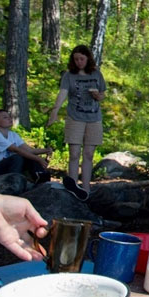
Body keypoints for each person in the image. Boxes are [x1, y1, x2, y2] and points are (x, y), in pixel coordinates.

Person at [46, 45, 106, 195]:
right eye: (76, 59)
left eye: (82, 59)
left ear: (88, 59)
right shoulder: (69, 76)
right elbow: (62, 94)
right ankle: (72, 184)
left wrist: (98, 96)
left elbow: (103, 94)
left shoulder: (96, 74)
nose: (79, 62)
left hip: (94, 117)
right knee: (74, 152)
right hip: (75, 117)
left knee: (89, 154)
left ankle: (86, 187)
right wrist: (55, 111)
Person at [0, 109, 52, 182]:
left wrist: (46, 150)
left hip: (5, 168)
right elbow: (15, 150)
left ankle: (42, 180)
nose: (10, 118)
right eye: (5, 117)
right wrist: (38, 159)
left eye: (9, 116)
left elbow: (30, 151)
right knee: (17, 157)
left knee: (30, 158)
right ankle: (14, 182)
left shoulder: (13, 135)